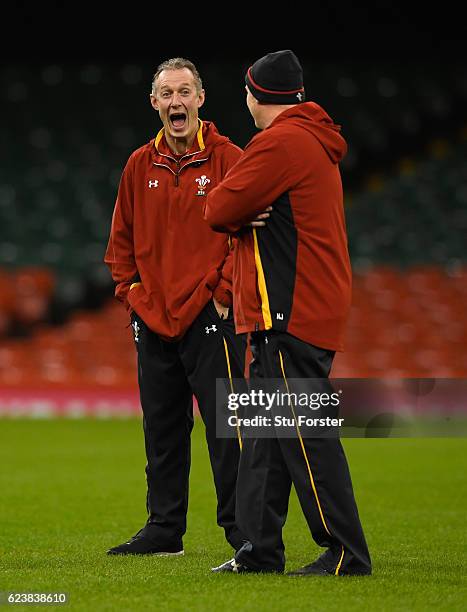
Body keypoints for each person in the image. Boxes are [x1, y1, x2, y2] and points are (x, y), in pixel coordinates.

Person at [204, 50, 372, 576]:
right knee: (265, 437)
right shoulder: (311, 139)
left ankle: (346, 552)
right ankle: (259, 550)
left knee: (305, 434)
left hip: (288, 311)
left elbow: (217, 209)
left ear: (257, 95)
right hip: (296, 307)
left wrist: (239, 214)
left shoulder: (280, 142)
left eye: (246, 93)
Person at [104, 57, 246, 556]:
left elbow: (247, 238)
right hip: (153, 316)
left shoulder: (230, 157)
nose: (175, 102)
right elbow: (120, 242)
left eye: (184, 92)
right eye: (166, 94)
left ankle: (243, 534)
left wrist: (224, 295)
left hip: (210, 314)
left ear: (201, 99)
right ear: (154, 103)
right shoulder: (139, 164)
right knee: (162, 431)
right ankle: (165, 531)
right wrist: (133, 296)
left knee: (228, 432)